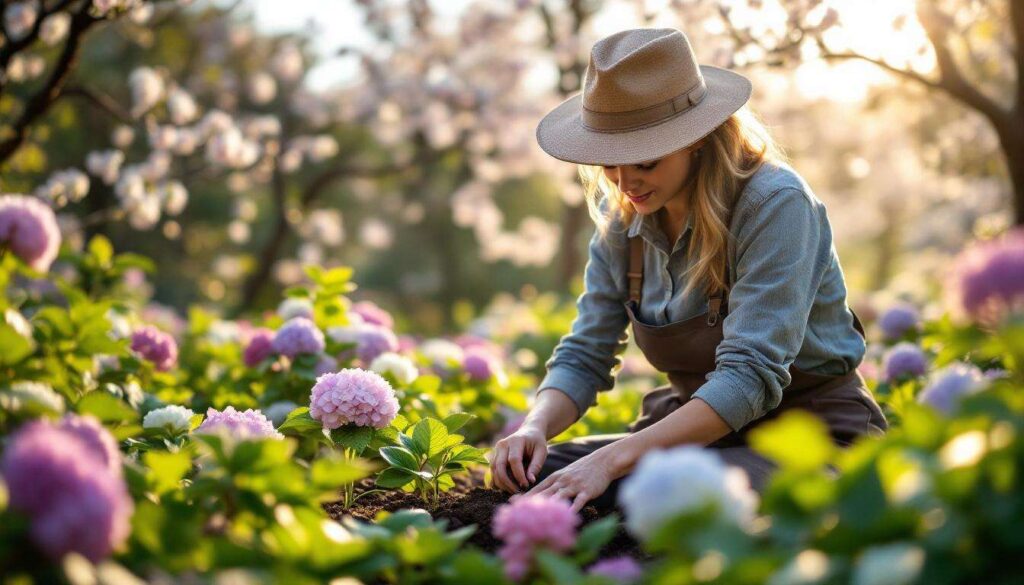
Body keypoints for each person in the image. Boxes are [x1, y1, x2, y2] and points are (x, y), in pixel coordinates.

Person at [488, 27, 887, 512]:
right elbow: (586, 353)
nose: (624, 181)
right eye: (609, 164)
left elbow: (749, 376)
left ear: (696, 139)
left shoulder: (776, 206)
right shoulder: (623, 223)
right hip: (694, 438)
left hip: (807, 437)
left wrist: (612, 462)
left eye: (645, 162)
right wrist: (533, 428)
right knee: (536, 478)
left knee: (656, 497)